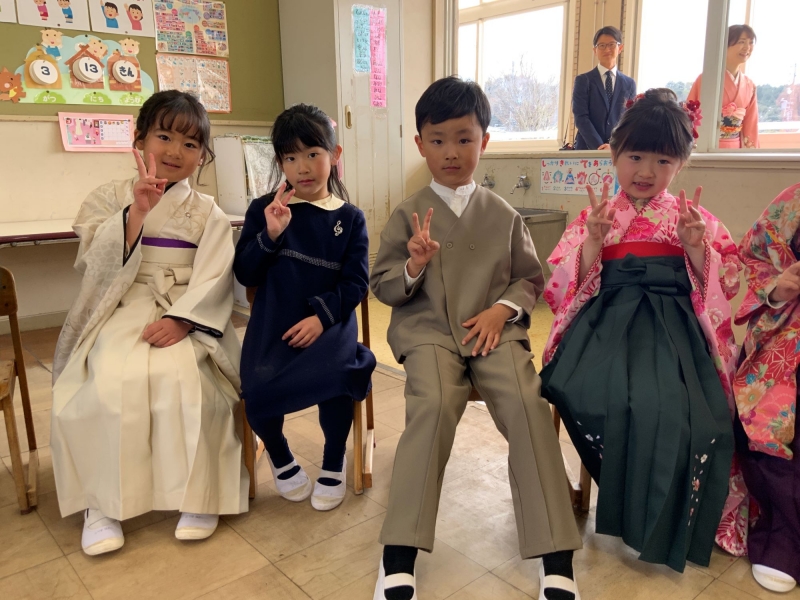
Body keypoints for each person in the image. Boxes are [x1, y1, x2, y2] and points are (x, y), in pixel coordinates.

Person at [370, 76, 583, 600]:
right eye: (438, 139)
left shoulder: (503, 214)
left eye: (464, 138)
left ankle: (556, 554)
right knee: (433, 404)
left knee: (527, 405)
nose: (451, 151)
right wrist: (414, 267)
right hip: (429, 333)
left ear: (484, 141)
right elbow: (383, 283)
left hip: (495, 333)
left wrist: (501, 310)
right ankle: (398, 552)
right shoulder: (407, 213)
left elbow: (528, 278)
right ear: (420, 144)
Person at [541, 89, 742, 573]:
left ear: (681, 164)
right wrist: (592, 243)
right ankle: (627, 493)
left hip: (674, 331)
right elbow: (560, 286)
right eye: (634, 156)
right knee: (602, 398)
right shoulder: (598, 217)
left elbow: (730, 281)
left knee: (690, 415)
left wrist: (697, 250)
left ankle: (662, 513)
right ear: (614, 153)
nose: (646, 171)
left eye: (663, 160)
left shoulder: (693, 220)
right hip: (605, 325)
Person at [51, 90, 248, 556]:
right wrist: (136, 212)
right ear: (139, 139)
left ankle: (201, 495)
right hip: (121, 304)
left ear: (203, 155)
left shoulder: (208, 212)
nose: (176, 151)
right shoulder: (109, 197)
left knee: (186, 383)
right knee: (107, 381)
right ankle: (101, 503)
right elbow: (93, 264)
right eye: (164, 137)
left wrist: (183, 320)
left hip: (185, 309)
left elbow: (216, 276)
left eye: (191, 144)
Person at [233, 104, 375, 512]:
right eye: (291, 158)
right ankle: (280, 456)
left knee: (337, 375)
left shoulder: (350, 218)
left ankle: (334, 460)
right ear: (280, 163)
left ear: (335, 154)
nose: (303, 167)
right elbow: (245, 272)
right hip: (274, 322)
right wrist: (271, 234)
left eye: (313, 153)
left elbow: (356, 283)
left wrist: (320, 319)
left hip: (329, 323)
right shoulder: (265, 209)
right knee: (256, 385)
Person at [732, 182, 800, 593]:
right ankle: (784, 538)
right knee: (767, 423)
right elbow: (757, 257)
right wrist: (778, 288)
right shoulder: (794, 200)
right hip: (787, 333)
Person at [688, 25, 759, 148]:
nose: (747, 47)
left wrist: (751, 150)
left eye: (751, 42)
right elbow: (689, 115)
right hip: (707, 146)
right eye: (741, 42)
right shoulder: (706, 80)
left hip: (735, 147)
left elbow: (751, 124)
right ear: (725, 45)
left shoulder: (749, 85)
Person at [572, 26, 637, 150]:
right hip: (587, 150)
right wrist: (600, 147)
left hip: (617, 150)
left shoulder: (629, 84)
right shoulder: (583, 80)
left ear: (620, 48)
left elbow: (630, 121)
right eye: (601, 45)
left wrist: (614, 146)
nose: (607, 49)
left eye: (612, 44)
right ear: (595, 50)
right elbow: (581, 117)